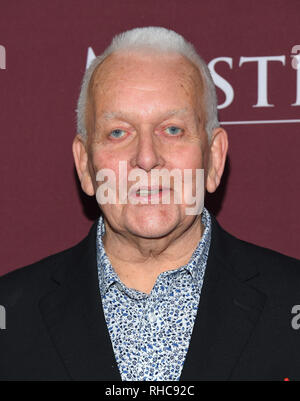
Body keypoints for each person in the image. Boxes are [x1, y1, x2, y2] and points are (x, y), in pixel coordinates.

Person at [0, 27, 299, 381]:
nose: (146, 157)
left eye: (172, 130)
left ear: (214, 159)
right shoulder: (11, 318)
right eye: (118, 132)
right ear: (85, 165)